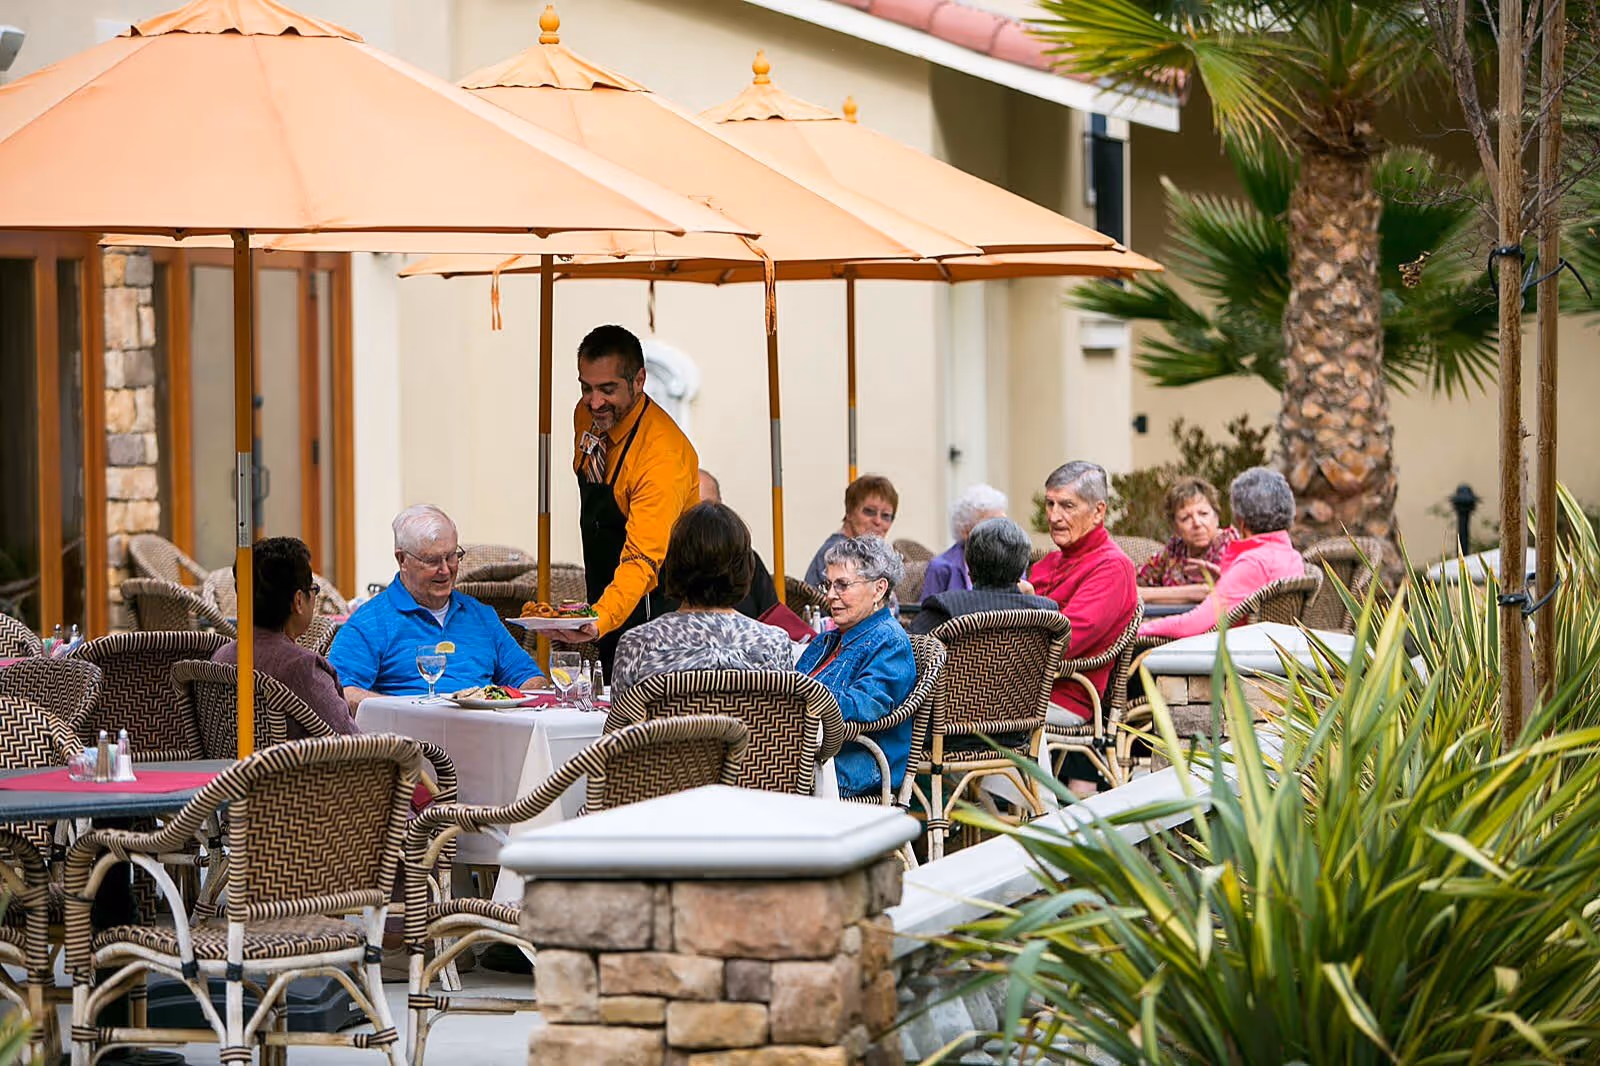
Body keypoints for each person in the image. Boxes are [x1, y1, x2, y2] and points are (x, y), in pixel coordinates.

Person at [551, 325, 699, 671]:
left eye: (607, 389)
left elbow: (643, 561)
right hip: (605, 591)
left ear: (639, 380)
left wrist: (600, 617)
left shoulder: (661, 457)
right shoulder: (585, 415)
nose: (595, 402)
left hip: (657, 610)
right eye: (586, 387)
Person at [328, 505, 545, 709]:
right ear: (402, 559)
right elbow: (340, 693)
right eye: (432, 561)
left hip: (487, 736)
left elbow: (530, 678)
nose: (445, 570)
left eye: (452, 557)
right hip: (409, 743)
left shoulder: (480, 615)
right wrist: (402, 712)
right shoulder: (370, 622)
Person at [1028, 461, 1139, 796]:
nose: (1054, 516)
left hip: (1065, 694)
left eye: (1067, 506)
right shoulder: (1049, 561)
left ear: (1098, 511)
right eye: (1050, 504)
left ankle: (1039, 818)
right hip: (1025, 685)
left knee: (960, 715)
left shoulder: (1112, 567)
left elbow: (1066, 639)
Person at [611, 503, 794, 696]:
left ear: (673, 565)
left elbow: (620, 723)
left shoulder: (638, 645)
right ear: (746, 568)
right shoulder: (773, 644)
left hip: (672, 727)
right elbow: (786, 722)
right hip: (751, 727)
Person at [796, 536, 916, 799]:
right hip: (812, 754)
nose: (829, 595)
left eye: (843, 585)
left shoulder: (890, 641)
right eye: (829, 584)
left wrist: (802, 706)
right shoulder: (829, 639)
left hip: (854, 763)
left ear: (879, 589)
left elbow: (867, 703)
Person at [212, 536, 356, 738]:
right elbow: (352, 742)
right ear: (298, 600)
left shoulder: (221, 659)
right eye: (313, 589)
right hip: (301, 769)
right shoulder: (303, 669)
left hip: (232, 769)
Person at [1140, 467, 1305, 640]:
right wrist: (1223, 579)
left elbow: (1193, 624)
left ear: (1240, 521)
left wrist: (1140, 630)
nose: (1196, 523)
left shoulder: (1252, 563)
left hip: (1232, 657)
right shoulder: (1292, 556)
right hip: (1274, 655)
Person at [909, 518, 1059, 635]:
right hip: (1026, 676)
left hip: (961, 675)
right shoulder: (1047, 613)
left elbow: (910, 649)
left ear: (970, 568)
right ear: (1021, 569)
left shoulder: (946, 608)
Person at [1137, 477, 1239, 604]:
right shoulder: (1176, 548)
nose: (1197, 523)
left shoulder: (1231, 544)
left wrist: (1146, 594)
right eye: (1185, 518)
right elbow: (1140, 578)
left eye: (1203, 514)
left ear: (1216, 517)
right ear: (1175, 527)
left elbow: (1210, 591)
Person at [698, 468, 778, 619]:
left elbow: (772, 617)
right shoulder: (663, 566)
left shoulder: (745, 561)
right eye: (695, 510)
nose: (704, 519)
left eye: (710, 507)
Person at [803, 475, 898, 588]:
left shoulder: (867, 553)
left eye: (886, 516)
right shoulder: (839, 554)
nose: (877, 521)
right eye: (869, 511)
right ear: (850, 512)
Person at [922, 484, 1008, 599]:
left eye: (1004, 523)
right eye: (991, 524)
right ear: (966, 530)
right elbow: (926, 613)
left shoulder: (1012, 563)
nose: (1001, 530)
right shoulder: (941, 567)